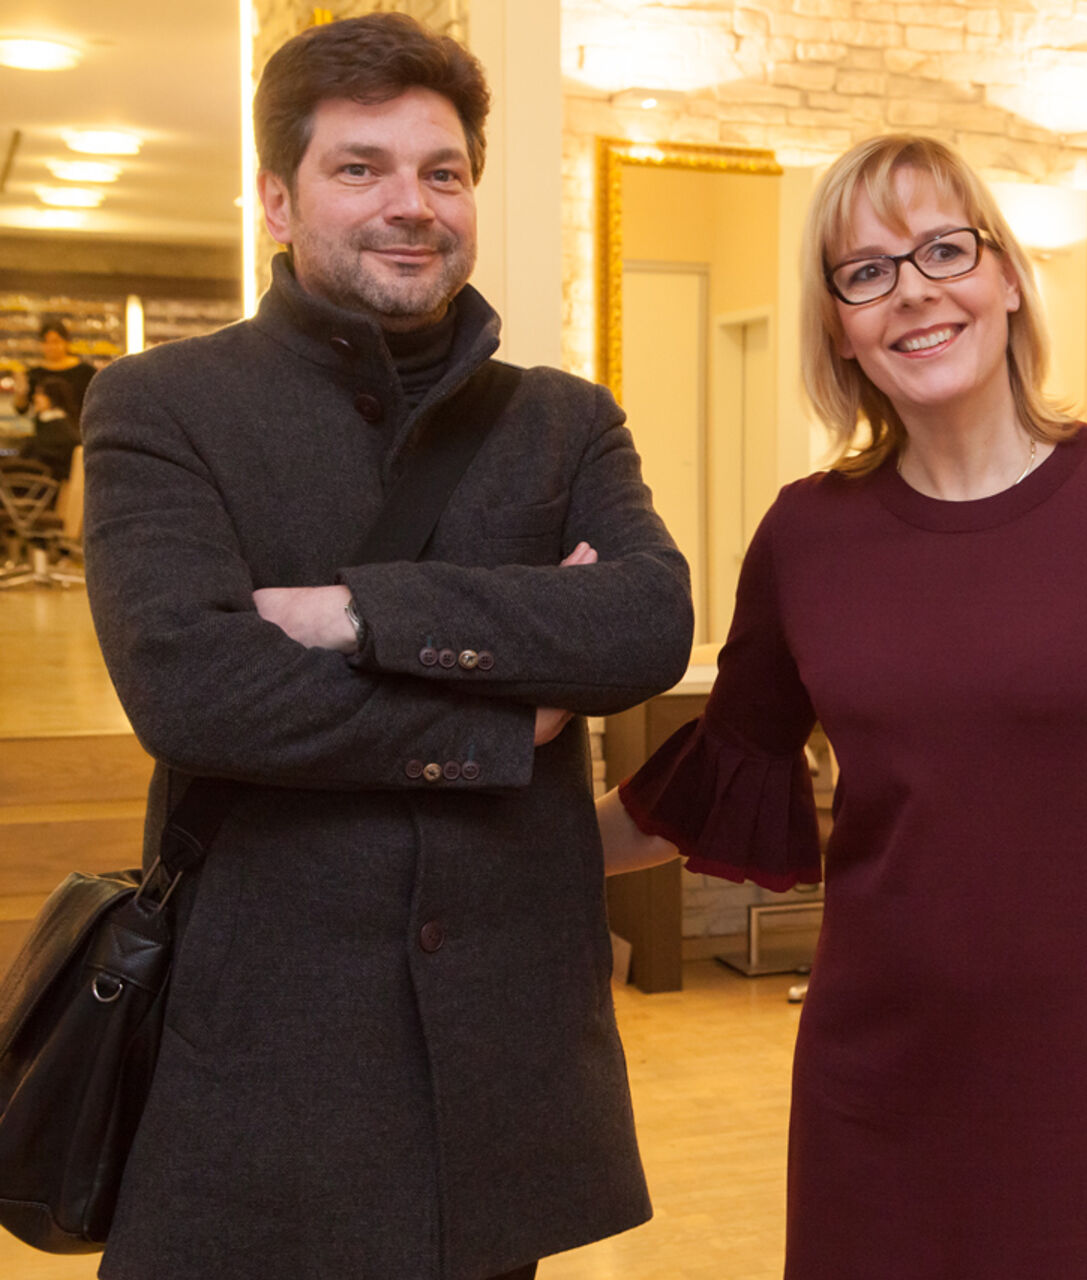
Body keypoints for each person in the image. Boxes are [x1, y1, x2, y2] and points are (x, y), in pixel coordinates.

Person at [596, 133, 1087, 1280]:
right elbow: (719, 777)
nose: (914, 291)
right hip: (883, 1078)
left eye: (945, 250)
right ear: (839, 326)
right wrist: (505, 844)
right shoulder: (805, 536)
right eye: (868, 271)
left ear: (1007, 278)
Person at [82, 14, 692, 1279]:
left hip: (501, 1072)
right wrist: (504, 715)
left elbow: (645, 622)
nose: (411, 203)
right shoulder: (162, 405)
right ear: (277, 198)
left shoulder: (566, 422)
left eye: (442, 171)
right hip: (262, 1060)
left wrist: (353, 615)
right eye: (360, 167)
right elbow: (195, 691)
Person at [8, 317, 97, 417]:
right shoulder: (34, 373)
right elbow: (22, 409)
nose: (51, 347)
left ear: (66, 342)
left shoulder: (86, 371)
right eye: (46, 342)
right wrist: (20, 393)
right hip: (46, 426)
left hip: (78, 425)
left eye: (56, 341)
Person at [25, 377, 81, 480]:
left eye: (40, 393)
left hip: (39, 482)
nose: (35, 397)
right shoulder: (64, 423)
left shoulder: (56, 427)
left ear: (53, 397)